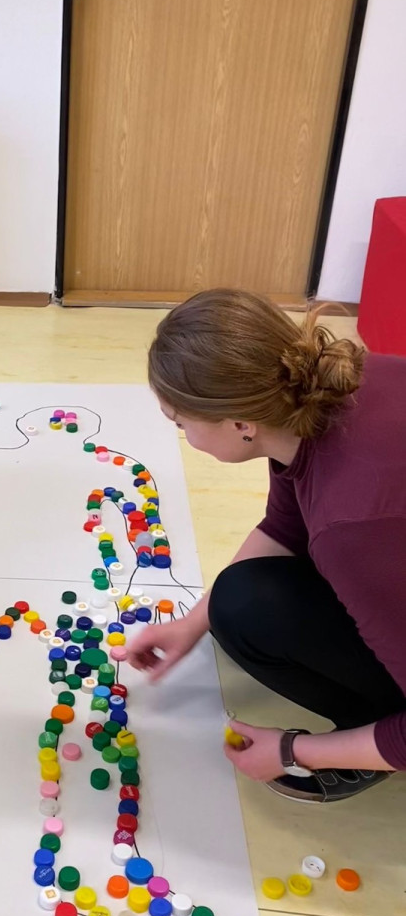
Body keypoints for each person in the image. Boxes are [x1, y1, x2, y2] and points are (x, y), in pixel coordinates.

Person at [129, 288, 406, 803]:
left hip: (374, 542)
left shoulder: (348, 529)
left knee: (245, 611)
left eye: (181, 423)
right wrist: (191, 623)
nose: (183, 436)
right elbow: (284, 527)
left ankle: (369, 735)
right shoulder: (329, 389)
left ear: (241, 424)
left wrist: (295, 751)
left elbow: (344, 531)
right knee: (234, 600)